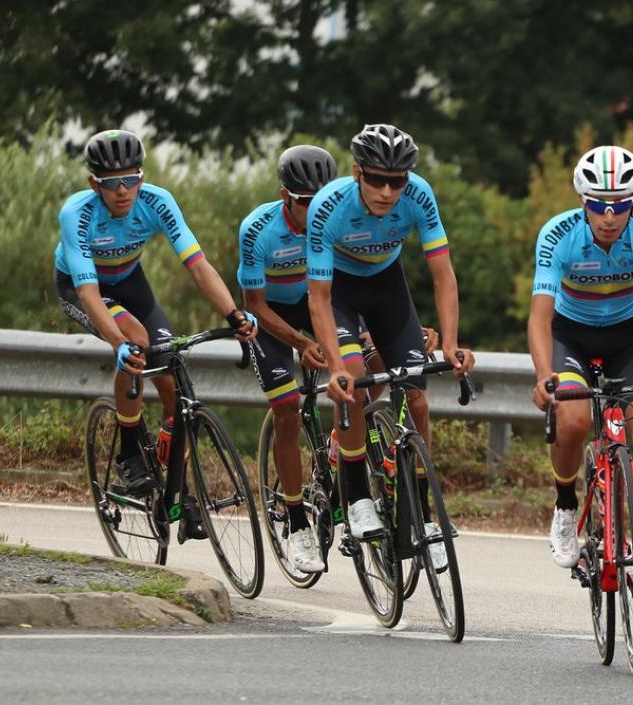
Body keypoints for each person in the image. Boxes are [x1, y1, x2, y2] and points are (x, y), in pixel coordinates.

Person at [54, 129, 256, 540]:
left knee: (172, 380)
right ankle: (129, 450)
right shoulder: (78, 213)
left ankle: (180, 489)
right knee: (135, 341)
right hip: (81, 286)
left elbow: (198, 265)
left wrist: (234, 314)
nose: (123, 190)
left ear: (142, 178)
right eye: (112, 183)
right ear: (95, 184)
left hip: (131, 282)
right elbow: (89, 292)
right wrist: (119, 344)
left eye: (131, 179)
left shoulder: (157, 202)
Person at [528, 145, 633, 601]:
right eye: (599, 206)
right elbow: (540, 317)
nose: (609, 216)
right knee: (575, 420)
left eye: (620, 205)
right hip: (570, 336)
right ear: (583, 202)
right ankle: (565, 505)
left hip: (628, 334)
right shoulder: (557, 234)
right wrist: (544, 373)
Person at [305, 124, 471, 560]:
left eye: (396, 181)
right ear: (357, 173)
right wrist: (336, 366)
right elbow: (318, 298)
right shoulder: (328, 208)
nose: (386, 191)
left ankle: (423, 512)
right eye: (376, 179)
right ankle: (357, 493)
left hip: (386, 285)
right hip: (338, 288)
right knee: (355, 378)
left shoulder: (419, 195)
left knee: (416, 394)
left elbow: (442, 274)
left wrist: (450, 340)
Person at [238, 145, 338, 572]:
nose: (316, 210)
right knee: (287, 409)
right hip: (273, 317)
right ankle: (296, 522)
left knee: (366, 369)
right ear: (285, 198)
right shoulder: (257, 230)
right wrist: (301, 343)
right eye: (305, 203)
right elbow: (255, 305)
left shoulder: (338, 221)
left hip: (317, 305)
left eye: (323, 200)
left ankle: (338, 453)